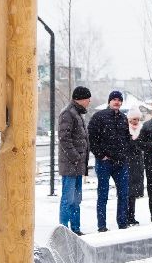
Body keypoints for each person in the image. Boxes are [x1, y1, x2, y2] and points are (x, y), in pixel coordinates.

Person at [87, 90, 133, 231]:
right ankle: (102, 225)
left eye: (119, 100)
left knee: (123, 194)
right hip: (104, 162)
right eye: (114, 99)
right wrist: (101, 155)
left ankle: (122, 222)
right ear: (109, 101)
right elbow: (92, 138)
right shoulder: (99, 117)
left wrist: (125, 152)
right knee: (103, 194)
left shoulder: (123, 118)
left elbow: (126, 138)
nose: (117, 102)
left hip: (121, 162)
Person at [56, 86, 92, 234]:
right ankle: (64, 230)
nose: (89, 101)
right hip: (71, 165)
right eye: (88, 98)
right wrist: (76, 157)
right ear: (81, 99)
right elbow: (64, 139)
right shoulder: (68, 113)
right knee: (68, 199)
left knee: (76, 200)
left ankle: (75, 229)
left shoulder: (77, 113)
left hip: (77, 165)